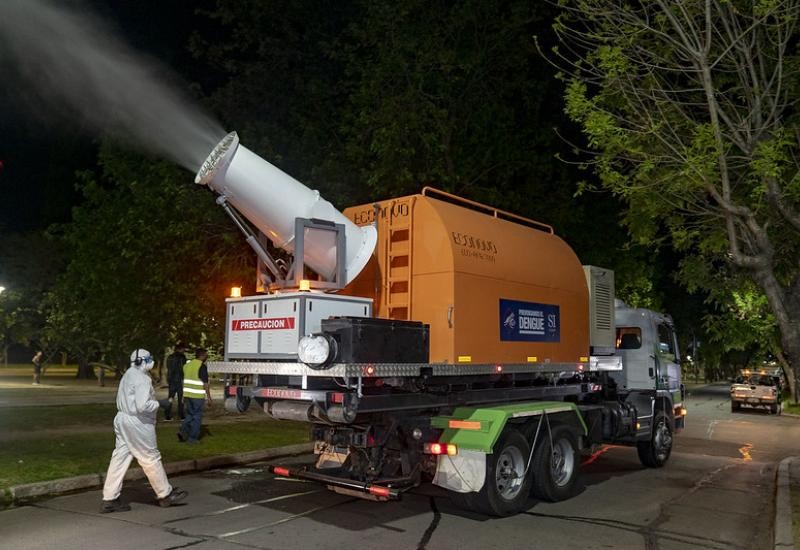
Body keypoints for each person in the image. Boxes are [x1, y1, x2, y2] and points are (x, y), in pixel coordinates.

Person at [100, 348, 187, 513]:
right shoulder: (142, 379)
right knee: (150, 457)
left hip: (122, 419)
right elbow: (142, 406)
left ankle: (109, 499)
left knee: (119, 459)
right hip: (137, 422)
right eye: (149, 358)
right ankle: (165, 494)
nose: (151, 361)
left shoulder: (128, 374)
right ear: (142, 361)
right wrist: (160, 403)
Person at [178, 348, 211, 444]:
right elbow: (205, 383)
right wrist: (209, 397)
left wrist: (183, 395)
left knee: (189, 415)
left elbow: (183, 381)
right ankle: (192, 439)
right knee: (197, 417)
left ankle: (183, 431)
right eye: (206, 355)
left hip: (188, 395)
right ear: (202, 356)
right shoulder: (202, 366)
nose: (207, 357)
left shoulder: (187, 365)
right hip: (197, 396)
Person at [164, 342, 187, 421]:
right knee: (181, 399)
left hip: (171, 380)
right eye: (183, 349)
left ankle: (167, 415)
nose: (184, 350)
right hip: (179, 380)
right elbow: (183, 368)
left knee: (170, 397)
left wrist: (169, 379)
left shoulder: (170, 357)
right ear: (180, 349)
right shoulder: (182, 357)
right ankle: (181, 415)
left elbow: (168, 368)